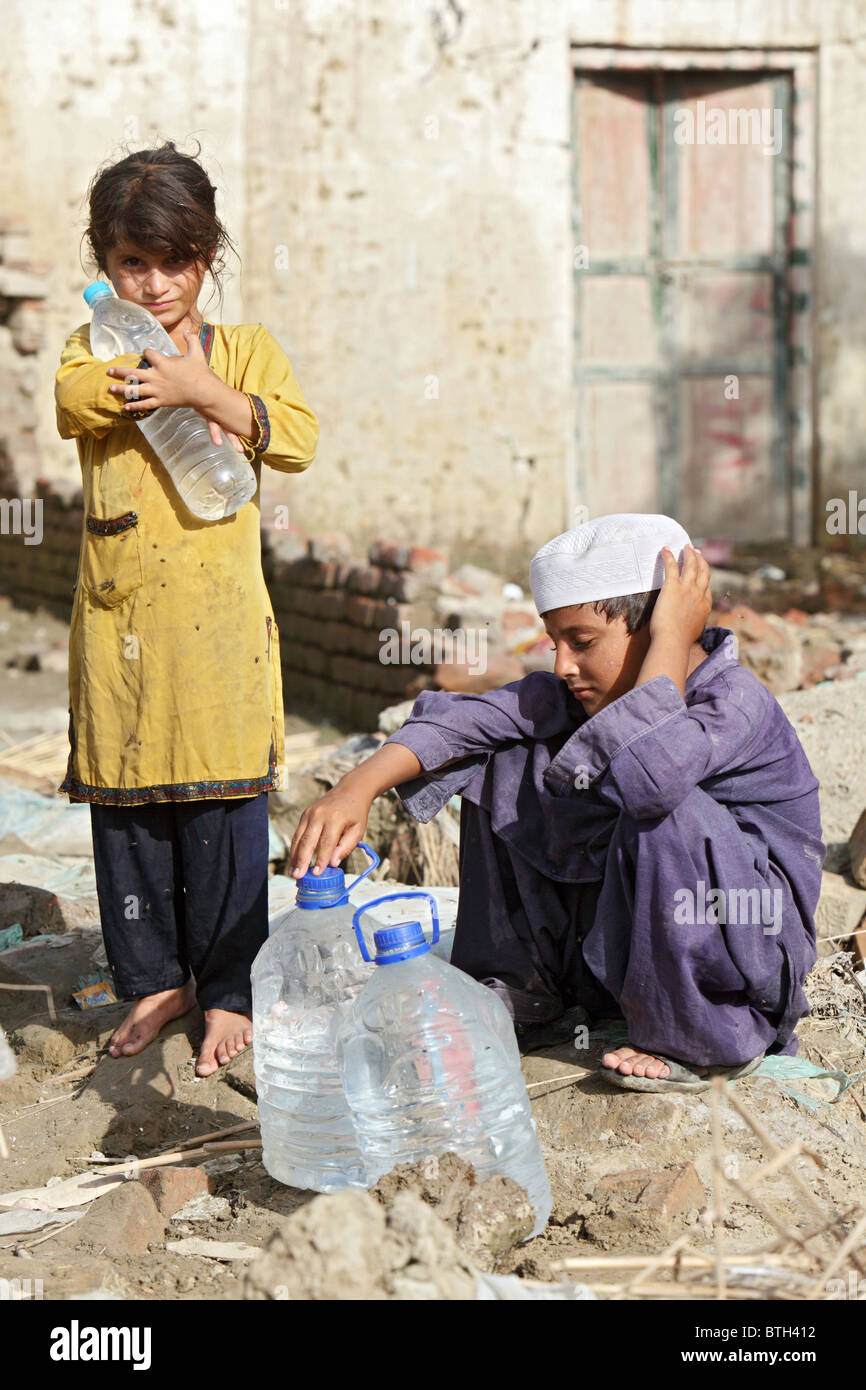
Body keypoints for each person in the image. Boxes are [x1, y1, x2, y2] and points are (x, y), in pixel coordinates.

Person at [290, 514, 825, 1092]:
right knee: (505, 755)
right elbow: (463, 725)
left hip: (743, 958)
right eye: (555, 642)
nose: (562, 665)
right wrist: (356, 788)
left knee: (657, 803)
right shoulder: (576, 698)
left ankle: (700, 1039)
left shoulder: (733, 702)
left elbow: (652, 776)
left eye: (583, 643)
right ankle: (526, 990)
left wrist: (670, 639)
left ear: (659, 625)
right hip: (630, 951)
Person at [55, 142, 318, 1076]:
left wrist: (207, 389)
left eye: (176, 262)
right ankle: (156, 980)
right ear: (104, 263)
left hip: (219, 635)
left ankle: (228, 990)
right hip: (121, 627)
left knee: (222, 815)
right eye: (133, 263)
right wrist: (145, 379)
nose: (155, 283)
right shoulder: (97, 345)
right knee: (129, 817)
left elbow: (295, 438)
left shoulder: (245, 351)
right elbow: (73, 398)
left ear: (208, 256)